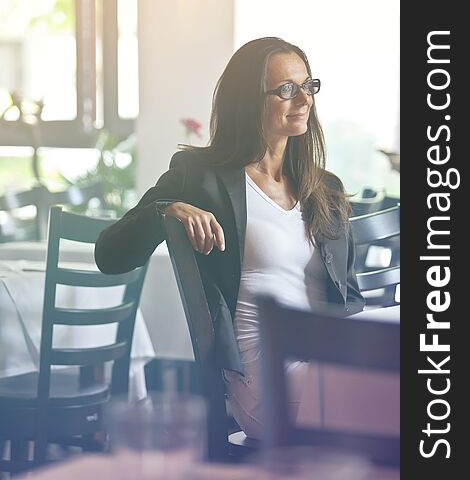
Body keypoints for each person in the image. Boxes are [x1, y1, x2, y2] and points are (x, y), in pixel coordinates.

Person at [95, 36, 365, 439]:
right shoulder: (200, 175)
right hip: (263, 381)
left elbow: (350, 299)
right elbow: (110, 255)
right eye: (286, 90)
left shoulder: (323, 188)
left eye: (308, 86)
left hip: (321, 363)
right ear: (247, 101)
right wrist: (165, 209)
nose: (304, 99)